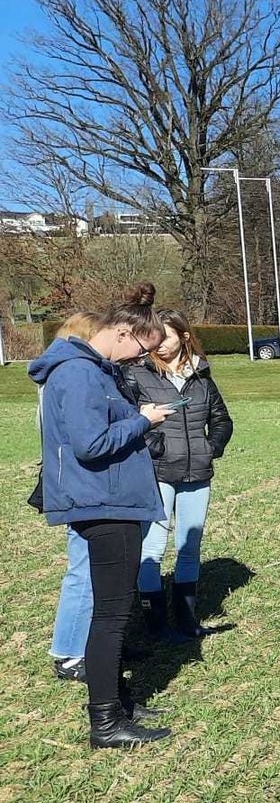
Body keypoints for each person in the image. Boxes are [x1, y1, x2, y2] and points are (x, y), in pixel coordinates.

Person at [29, 285, 174, 748]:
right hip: (103, 502)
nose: (138, 360)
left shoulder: (93, 372)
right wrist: (142, 421)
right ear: (123, 332)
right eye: (140, 350)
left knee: (114, 609)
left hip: (114, 500)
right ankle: (106, 724)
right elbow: (91, 445)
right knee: (111, 615)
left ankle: (120, 702)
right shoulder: (78, 375)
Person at [127, 308, 234, 640]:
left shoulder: (202, 377)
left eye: (166, 335)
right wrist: (154, 447)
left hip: (197, 473)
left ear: (184, 337)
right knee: (153, 547)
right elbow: (129, 421)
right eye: (154, 335)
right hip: (158, 472)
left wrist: (208, 448)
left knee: (189, 546)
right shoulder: (137, 374)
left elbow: (222, 420)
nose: (158, 342)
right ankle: (156, 625)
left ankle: (187, 622)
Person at [43, 311, 102, 683]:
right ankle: (68, 652)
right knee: (82, 572)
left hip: (77, 484)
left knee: (90, 570)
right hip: (80, 486)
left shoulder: (60, 371)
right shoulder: (72, 375)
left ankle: (87, 643)